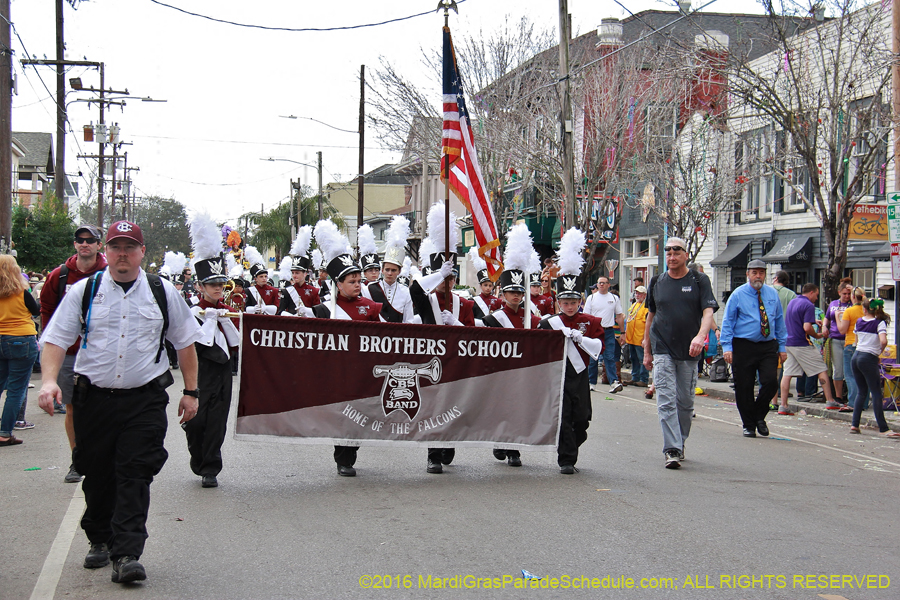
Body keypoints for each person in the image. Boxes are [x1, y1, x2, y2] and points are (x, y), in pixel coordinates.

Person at [37, 220, 201, 584]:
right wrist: (48, 381)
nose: (122, 253)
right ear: (105, 251)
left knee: (135, 472)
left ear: (143, 252)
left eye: (130, 247)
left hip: (144, 400)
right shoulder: (84, 290)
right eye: (115, 247)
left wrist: (191, 392)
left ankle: (127, 552)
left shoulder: (162, 291)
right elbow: (56, 340)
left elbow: (185, 342)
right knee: (96, 473)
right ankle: (99, 536)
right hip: (93, 400)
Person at [38, 224, 108, 482]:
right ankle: (77, 460)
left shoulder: (110, 273)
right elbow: (46, 307)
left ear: (99, 245)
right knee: (72, 409)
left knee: (103, 407)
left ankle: (102, 456)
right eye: (80, 239)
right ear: (75, 243)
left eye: (90, 240)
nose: (85, 244)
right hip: (69, 354)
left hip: (102, 353)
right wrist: (50, 341)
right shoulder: (59, 275)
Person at [312, 221, 383, 476]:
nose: (357, 285)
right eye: (351, 281)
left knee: (358, 416)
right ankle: (343, 459)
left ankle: (349, 453)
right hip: (337, 373)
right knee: (343, 415)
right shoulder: (324, 310)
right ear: (338, 284)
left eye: (358, 280)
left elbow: (386, 336)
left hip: (363, 371)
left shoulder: (371, 306)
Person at [643, 237, 718, 469]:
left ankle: (680, 442)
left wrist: (700, 336)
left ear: (686, 254)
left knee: (685, 402)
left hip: (689, 349)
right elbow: (651, 316)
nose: (672, 256)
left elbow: (708, 312)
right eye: (668, 252)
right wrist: (647, 348)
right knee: (665, 399)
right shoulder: (657, 281)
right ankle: (672, 448)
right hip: (662, 348)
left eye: (677, 252)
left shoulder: (699, 280)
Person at [538, 229, 604, 473]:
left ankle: (570, 448)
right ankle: (566, 460)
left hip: (579, 377)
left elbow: (599, 348)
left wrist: (580, 338)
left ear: (580, 301)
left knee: (581, 420)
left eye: (573, 302)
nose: (568, 306)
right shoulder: (548, 323)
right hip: (557, 376)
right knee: (563, 418)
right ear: (558, 302)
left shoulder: (591, 322)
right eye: (564, 302)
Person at [719, 260, 788, 437]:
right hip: (743, 345)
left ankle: (759, 415)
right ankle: (749, 424)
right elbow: (728, 322)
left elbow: (779, 321)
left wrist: (782, 346)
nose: (758, 276)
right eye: (754, 272)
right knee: (744, 386)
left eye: (761, 273)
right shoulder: (738, 295)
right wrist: (727, 347)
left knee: (771, 382)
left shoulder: (772, 294)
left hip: (767, 345)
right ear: (748, 274)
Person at [483, 268, 542, 467]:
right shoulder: (492, 320)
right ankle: (501, 442)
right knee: (502, 409)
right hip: (501, 373)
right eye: (511, 292)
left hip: (525, 373)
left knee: (519, 411)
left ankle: (514, 450)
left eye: (519, 292)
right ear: (503, 294)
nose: (516, 296)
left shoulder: (532, 319)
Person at [780, 283, 845, 411]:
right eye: (816, 294)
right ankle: (830, 401)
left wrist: (814, 320)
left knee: (787, 374)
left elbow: (797, 318)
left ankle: (783, 405)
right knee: (821, 369)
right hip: (802, 343)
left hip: (788, 342)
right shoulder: (809, 305)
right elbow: (806, 328)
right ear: (811, 292)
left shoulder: (793, 302)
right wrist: (817, 335)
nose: (816, 297)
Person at [0, 256, 39, 446]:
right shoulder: (22, 292)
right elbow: (36, 310)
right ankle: (5, 432)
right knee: (16, 390)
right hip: (22, 339)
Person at [848, 298, 900, 438]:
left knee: (861, 391)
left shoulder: (859, 321)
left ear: (864, 309)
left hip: (856, 356)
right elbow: (883, 340)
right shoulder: (879, 323)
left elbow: (856, 341)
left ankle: (855, 424)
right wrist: (878, 351)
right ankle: (883, 428)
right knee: (876, 392)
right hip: (869, 357)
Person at [362, 217, 414, 323]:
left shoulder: (405, 291)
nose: (389, 273)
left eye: (394, 270)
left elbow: (409, 320)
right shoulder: (370, 288)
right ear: (382, 270)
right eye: (387, 269)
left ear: (399, 271)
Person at [582, 276, 625, 393]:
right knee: (593, 357)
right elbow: (586, 316)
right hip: (595, 330)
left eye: (604, 283)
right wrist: (586, 333)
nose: (601, 285)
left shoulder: (614, 298)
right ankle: (591, 382)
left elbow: (619, 315)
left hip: (609, 330)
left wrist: (622, 332)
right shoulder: (591, 298)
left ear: (608, 285)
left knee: (609, 356)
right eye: (599, 283)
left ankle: (614, 382)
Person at [838, 287, 868, 410]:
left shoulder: (849, 311)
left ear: (853, 297)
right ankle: (864, 403)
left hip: (850, 344)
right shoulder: (867, 310)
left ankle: (853, 402)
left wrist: (837, 317)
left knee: (850, 375)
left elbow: (842, 330)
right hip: (865, 345)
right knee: (864, 376)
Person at [624, 285, 649, 386]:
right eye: (636, 293)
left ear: (644, 295)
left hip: (640, 338)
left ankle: (643, 379)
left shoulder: (646, 307)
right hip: (631, 338)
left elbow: (647, 323)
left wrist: (645, 339)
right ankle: (635, 377)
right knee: (633, 358)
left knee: (642, 358)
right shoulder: (634, 305)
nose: (637, 295)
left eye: (639, 293)